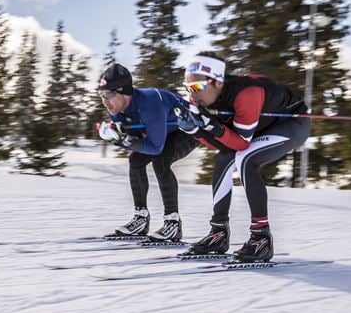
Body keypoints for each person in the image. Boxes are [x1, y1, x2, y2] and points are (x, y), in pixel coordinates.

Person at [174, 52, 310, 261]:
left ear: (217, 82)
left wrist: (212, 126)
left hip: (292, 123)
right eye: (187, 87)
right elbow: (224, 145)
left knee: (247, 159)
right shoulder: (205, 100)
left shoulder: (246, 94)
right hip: (261, 127)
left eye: (196, 87)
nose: (191, 94)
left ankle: (261, 237)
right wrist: (196, 132)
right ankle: (219, 233)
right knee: (224, 159)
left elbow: (241, 144)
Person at [97, 63, 198, 241]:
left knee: (161, 161)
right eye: (101, 95)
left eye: (109, 94)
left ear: (125, 93)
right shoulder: (115, 110)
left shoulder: (149, 103)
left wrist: (126, 140)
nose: (105, 100)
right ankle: (141, 218)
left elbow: (155, 147)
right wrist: (119, 137)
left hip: (188, 130)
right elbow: (135, 141)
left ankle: (173, 223)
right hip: (165, 131)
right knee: (135, 161)